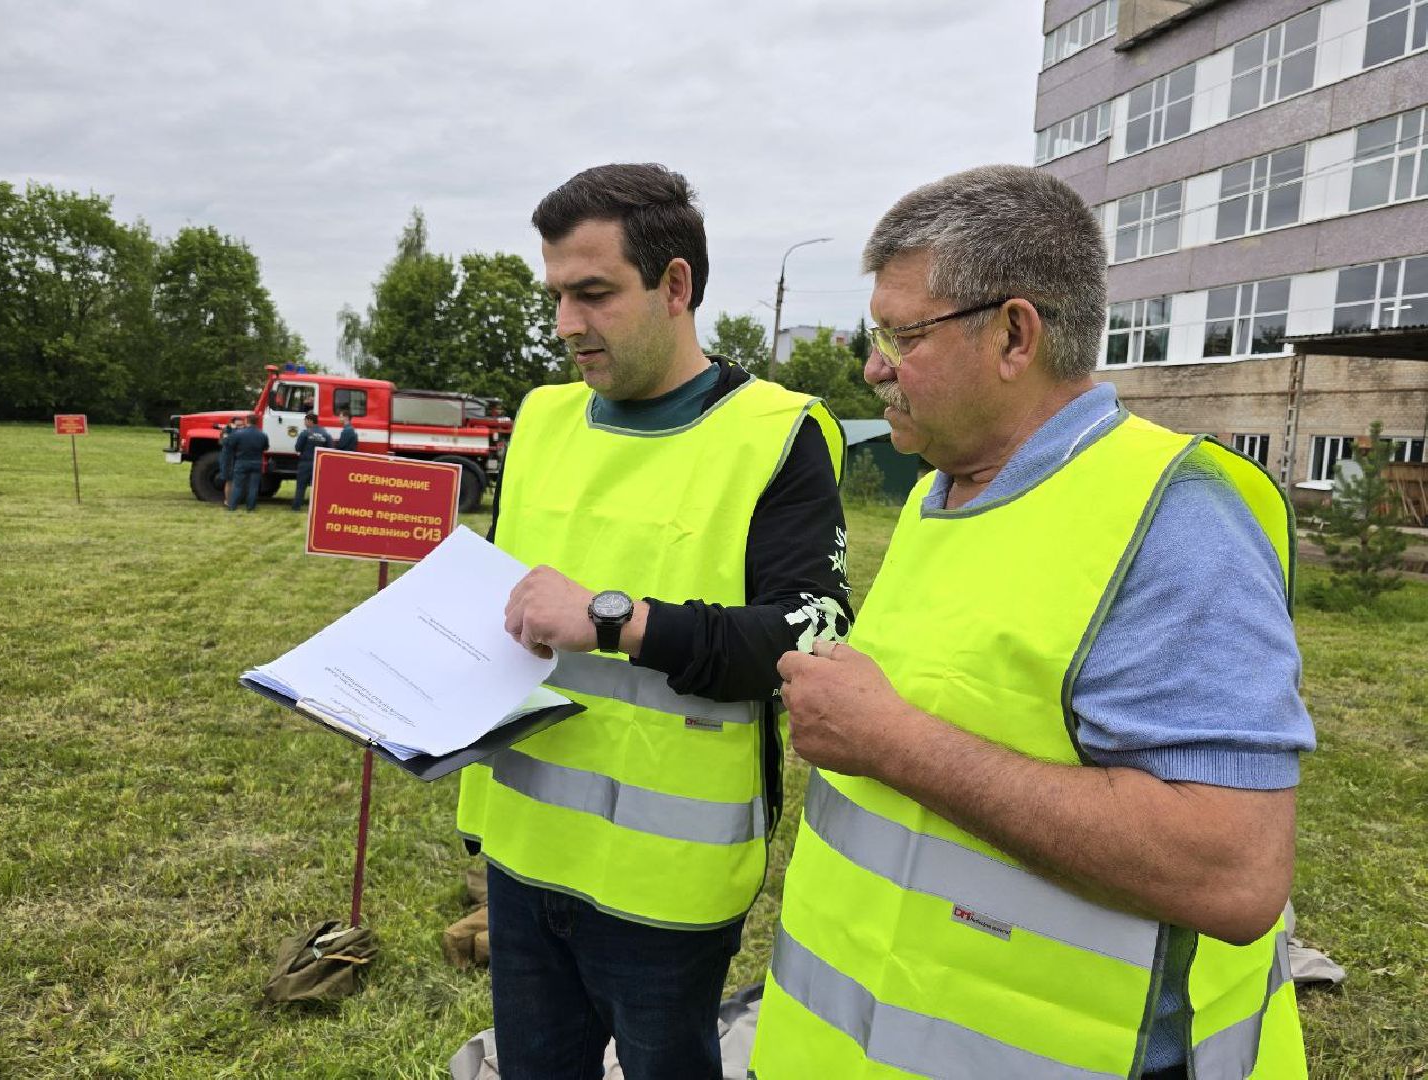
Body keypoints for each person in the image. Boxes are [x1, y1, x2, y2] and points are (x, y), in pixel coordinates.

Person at [751, 165, 1315, 1079]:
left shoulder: (1177, 521)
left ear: (1015, 335)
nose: (873, 366)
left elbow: (1234, 871)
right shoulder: (950, 492)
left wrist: (889, 740)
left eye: (902, 334)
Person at [455, 163, 850, 1079]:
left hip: (666, 888)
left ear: (676, 286)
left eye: (594, 294)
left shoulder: (776, 432)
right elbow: (499, 600)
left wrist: (612, 620)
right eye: (556, 295)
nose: (566, 325)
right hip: (520, 852)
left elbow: (808, 639)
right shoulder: (544, 420)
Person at [226, 414, 269, 512]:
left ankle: (233, 506)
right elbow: (265, 447)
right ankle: (250, 508)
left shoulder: (239, 434)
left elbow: (231, 445)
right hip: (257, 462)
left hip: (241, 461)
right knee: (253, 486)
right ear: (257, 422)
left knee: (238, 485)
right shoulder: (262, 434)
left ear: (246, 421)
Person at [291, 412, 334, 510]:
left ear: (310, 421)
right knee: (318, 488)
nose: (304, 423)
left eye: (305, 421)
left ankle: (296, 507)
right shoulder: (325, 433)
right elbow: (330, 449)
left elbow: (298, 448)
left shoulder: (305, 433)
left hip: (305, 463)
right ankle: (319, 508)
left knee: (301, 486)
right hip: (319, 464)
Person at [218, 416, 245, 507]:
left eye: (241, 425)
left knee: (237, 480)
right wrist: (234, 431)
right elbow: (226, 442)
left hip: (238, 457)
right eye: (238, 424)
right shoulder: (227, 430)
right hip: (228, 458)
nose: (239, 427)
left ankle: (235, 500)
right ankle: (228, 501)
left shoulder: (243, 431)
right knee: (229, 480)